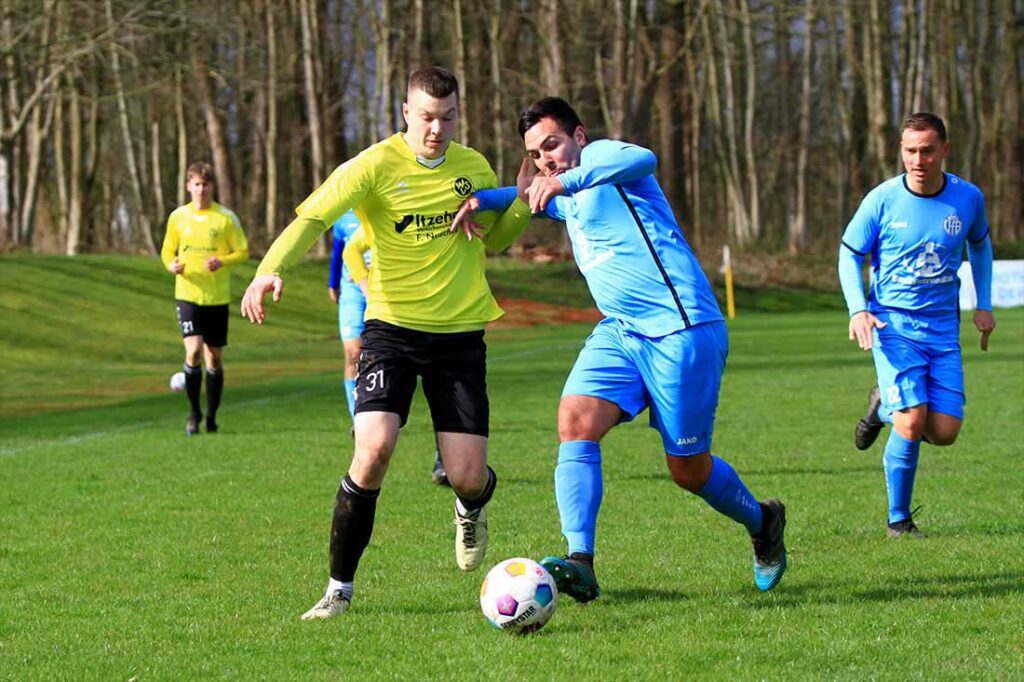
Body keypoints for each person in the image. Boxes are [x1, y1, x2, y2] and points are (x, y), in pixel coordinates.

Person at [455, 97, 788, 601]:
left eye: (553, 144)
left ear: (579, 137)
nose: (547, 158)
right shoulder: (567, 193)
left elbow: (644, 158)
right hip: (622, 332)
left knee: (688, 470)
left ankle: (763, 522)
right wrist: (487, 199)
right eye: (536, 153)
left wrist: (563, 178)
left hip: (682, 331)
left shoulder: (607, 162)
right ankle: (579, 561)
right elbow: (537, 196)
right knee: (574, 420)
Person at [240, 66, 532, 619]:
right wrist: (268, 269)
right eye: (426, 117)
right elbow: (313, 214)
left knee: (468, 476)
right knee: (372, 450)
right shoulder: (374, 165)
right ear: (405, 113)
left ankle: (471, 507)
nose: (436, 130)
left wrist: (516, 201)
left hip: (460, 335)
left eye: (447, 118)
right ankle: (338, 591)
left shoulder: (472, 167)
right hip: (391, 331)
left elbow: (496, 239)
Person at [838, 112, 995, 538]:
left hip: (943, 329)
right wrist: (857, 309)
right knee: (912, 420)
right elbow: (849, 253)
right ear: (901, 151)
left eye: (927, 150)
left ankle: (882, 405)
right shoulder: (881, 200)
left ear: (944, 149)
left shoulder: (968, 199)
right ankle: (898, 521)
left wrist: (984, 304)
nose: (918, 159)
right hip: (893, 325)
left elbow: (980, 247)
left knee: (944, 431)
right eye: (910, 150)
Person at [332, 218, 450, 486]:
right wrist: (336, 282)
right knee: (353, 353)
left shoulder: (393, 200)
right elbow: (341, 249)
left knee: (434, 370)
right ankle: (358, 419)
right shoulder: (342, 212)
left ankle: (443, 454)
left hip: (399, 294)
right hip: (355, 291)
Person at [160, 161, 249, 435]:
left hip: (217, 297)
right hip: (187, 295)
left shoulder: (225, 218)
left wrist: (222, 261)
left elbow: (243, 251)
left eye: (206, 184)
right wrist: (170, 265)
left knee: (214, 358)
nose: (201, 190)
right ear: (188, 186)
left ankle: (211, 415)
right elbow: (167, 249)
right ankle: (193, 413)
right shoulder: (178, 217)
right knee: (194, 351)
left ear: (213, 187)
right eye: (197, 184)